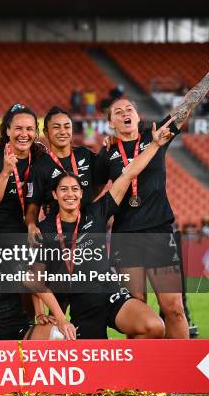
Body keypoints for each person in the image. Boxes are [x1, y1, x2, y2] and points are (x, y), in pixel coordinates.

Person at [94, 45, 209, 338]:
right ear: (111, 123)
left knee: (173, 307)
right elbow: (90, 194)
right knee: (138, 308)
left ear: (137, 115)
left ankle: (178, 378)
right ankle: (143, 382)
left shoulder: (156, 135)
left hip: (159, 232)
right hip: (125, 237)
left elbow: (185, 107)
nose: (125, 112)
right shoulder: (105, 157)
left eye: (129, 108)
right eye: (118, 111)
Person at [32, 120, 174, 339]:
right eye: (64, 190)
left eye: (75, 189)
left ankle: (129, 369)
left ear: (81, 194)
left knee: (154, 326)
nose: (70, 194)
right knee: (92, 364)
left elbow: (127, 174)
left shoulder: (96, 212)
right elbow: (34, 279)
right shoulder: (46, 229)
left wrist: (154, 146)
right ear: (54, 195)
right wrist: (57, 316)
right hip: (81, 306)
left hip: (110, 294)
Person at [26, 106, 99, 245]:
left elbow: (100, 183)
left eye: (67, 126)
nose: (63, 132)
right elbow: (32, 209)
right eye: (56, 127)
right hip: (57, 233)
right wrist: (31, 226)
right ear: (46, 132)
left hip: (88, 228)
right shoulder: (39, 167)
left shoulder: (85, 154)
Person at [0, 104, 46, 234]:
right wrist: (5, 172)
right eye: (18, 128)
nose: (24, 134)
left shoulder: (40, 159)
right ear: (8, 130)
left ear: (35, 131)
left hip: (28, 233)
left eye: (29, 129)